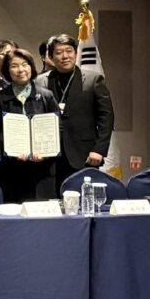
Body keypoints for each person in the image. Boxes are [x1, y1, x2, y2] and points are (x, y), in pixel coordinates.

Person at [36, 34, 115, 187]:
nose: (64, 56)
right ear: (51, 57)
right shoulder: (41, 81)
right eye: (59, 52)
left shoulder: (94, 80)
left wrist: (99, 150)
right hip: (49, 155)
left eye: (69, 51)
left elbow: (106, 118)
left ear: (76, 53)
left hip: (84, 154)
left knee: (83, 197)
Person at [0, 48, 60, 202]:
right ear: (7, 70)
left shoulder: (46, 96)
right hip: (11, 170)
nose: (20, 70)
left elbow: (57, 129)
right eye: (14, 66)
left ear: (31, 67)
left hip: (42, 170)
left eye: (24, 64)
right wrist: (11, 149)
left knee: (41, 213)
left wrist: (45, 153)